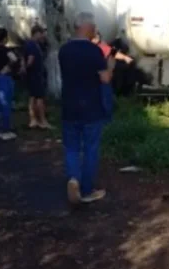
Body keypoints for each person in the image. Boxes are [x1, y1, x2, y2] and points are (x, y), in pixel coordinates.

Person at [60, 16, 115, 205]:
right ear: (87, 27)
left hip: (68, 106)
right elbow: (105, 79)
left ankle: (73, 178)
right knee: (91, 148)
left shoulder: (63, 50)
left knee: (72, 147)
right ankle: (86, 189)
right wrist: (111, 66)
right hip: (91, 107)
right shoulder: (94, 52)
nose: (95, 30)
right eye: (94, 27)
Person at [23, 26, 51, 129]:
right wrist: (26, 68)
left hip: (33, 75)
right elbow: (30, 59)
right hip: (35, 75)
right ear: (36, 33)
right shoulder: (31, 45)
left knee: (32, 97)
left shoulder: (34, 44)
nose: (43, 36)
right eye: (41, 33)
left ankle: (33, 120)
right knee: (39, 98)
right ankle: (43, 121)